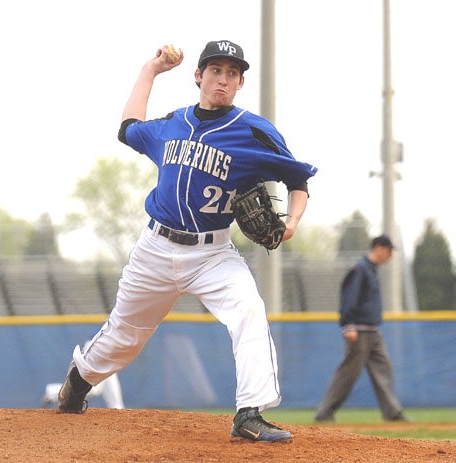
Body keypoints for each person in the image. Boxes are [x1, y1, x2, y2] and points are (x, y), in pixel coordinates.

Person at [57, 39, 317, 443]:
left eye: (232, 73)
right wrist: (151, 70)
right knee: (125, 337)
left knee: (248, 310)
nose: (223, 79)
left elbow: (297, 177)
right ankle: (80, 378)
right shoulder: (173, 123)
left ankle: (250, 413)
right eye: (216, 70)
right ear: (199, 76)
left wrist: (293, 222)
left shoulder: (253, 131)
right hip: (155, 250)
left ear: (240, 83)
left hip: (212, 254)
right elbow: (128, 128)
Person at [315, 235, 410, 423]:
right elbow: (348, 298)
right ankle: (324, 412)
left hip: (372, 331)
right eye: (389, 250)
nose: (390, 255)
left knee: (383, 368)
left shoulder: (371, 270)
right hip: (358, 331)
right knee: (347, 374)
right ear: (380, 248)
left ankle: (392, 412)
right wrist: (348, 324)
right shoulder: (360, 269)